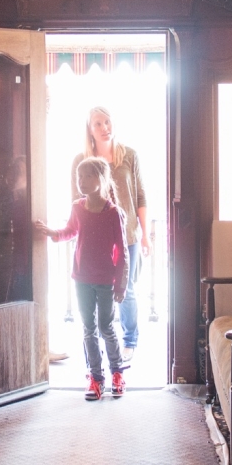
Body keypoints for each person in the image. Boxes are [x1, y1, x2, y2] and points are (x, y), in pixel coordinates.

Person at [36, 156, 130, 400]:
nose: (82, 181)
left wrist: (121, 284)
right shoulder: (78, 207)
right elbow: (70, 231)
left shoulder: (113, 213)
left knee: (106, 328)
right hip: (82, 278)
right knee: (88, 329)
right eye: (80, 177)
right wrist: (52, 233)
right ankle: (96, 379)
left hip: (106, 280)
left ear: (102, 179)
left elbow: (122, 252)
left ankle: (117, 374)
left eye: (88, 176)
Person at [70, 107, 149, 362]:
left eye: (107, 122)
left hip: (128, 235)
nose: (105, 127)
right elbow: (76, 199)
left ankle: (130, 340)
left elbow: (140, 196)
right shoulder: (82, 160)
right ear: (89, 130)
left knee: (127, 288)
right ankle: (100, 344)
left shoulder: (130, 156)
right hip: (95, 239)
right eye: (98, 124)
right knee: (95, 289)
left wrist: (145, 234)